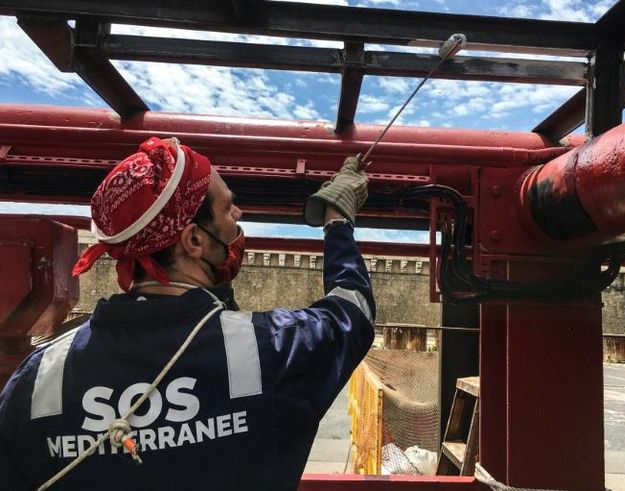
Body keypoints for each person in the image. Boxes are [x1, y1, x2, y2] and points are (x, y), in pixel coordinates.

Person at [0, 137, 374, 490]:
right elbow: (351, 311)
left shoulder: (38, 378)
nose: (238, 215)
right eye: (228, 207)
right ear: (194, 241)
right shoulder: (271, 350)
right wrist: (337, 220)